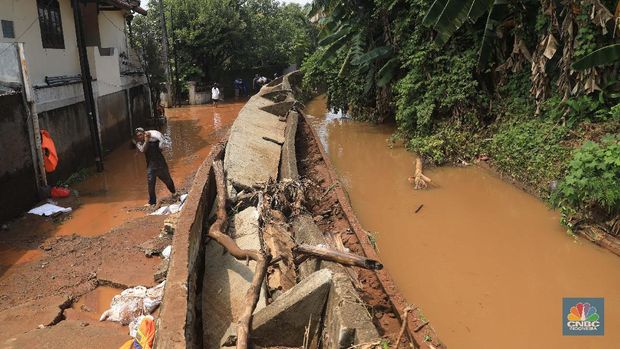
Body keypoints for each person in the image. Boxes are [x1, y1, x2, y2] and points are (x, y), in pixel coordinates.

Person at [133, 128, 176, 206]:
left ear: (144, 133)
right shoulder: (139, 144)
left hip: (161, 164)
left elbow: (162, 145)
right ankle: (152, 202)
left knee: (168, 180)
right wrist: (146, 140)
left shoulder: (154, 140)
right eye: (138, 136)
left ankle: (174, 193)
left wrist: (159, 144)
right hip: (151, 167)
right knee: (151, 184)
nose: (139, 137)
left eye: (140, 134)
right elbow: (143, 150)